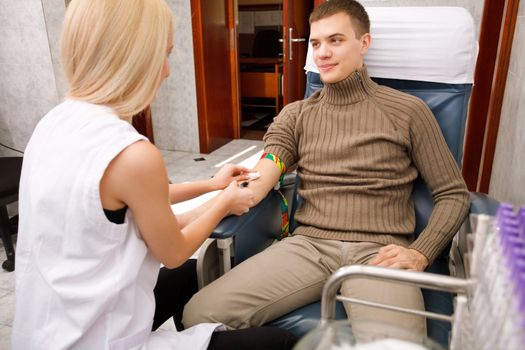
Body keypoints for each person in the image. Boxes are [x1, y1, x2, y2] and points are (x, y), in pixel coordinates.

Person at [11, 0, 296, 349]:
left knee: (198, 275)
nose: (165, 71)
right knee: (278, 341)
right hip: (93, 339)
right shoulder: (134, 154)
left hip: (45, 326)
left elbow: (123, 198)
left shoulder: (54, 122)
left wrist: (211, 184)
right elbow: (174, 252)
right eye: (163, 55)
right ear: (131, 58)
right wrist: (222, 203)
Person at [183, 0, 470, 341]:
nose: (322, 53)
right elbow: (261, 178)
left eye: (335, 40)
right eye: (316, 43)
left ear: (363, 43)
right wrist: (186, 217)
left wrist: (421, 252)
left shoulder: (408, 111)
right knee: (198, 314)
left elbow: (453, 193)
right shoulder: (296, 115)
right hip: (308, 247)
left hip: (378, 252)